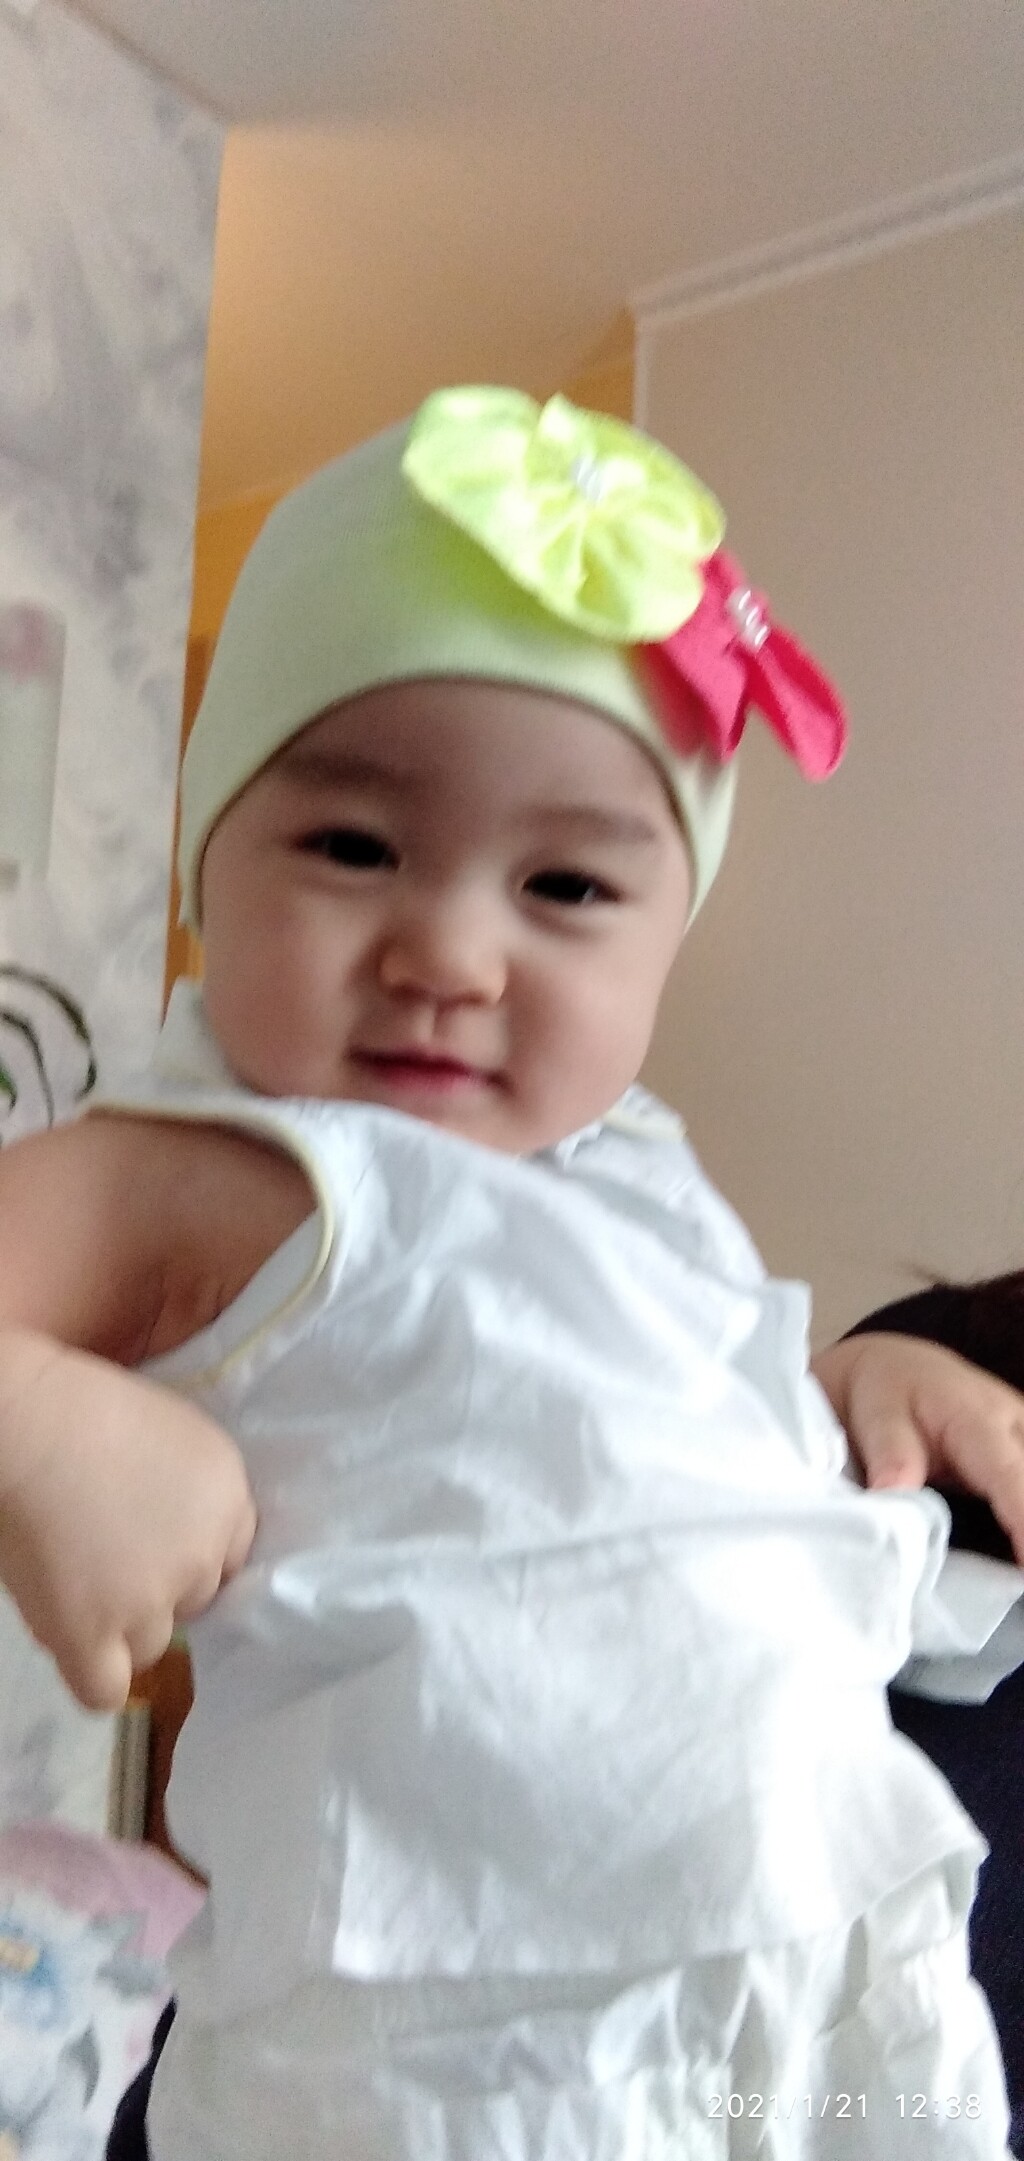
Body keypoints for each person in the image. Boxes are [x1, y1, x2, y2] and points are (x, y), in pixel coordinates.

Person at [0, 385, 1021, 2159]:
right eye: (353, 847)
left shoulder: (633, 1172)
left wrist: (834, 1397)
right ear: (207, 856)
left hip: (793, 1977)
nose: (452, 951)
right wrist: (32, 1413)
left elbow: (612, 1457)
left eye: (563, 885)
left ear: (669, 930)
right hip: (450, 2051)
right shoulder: (229, 1164)